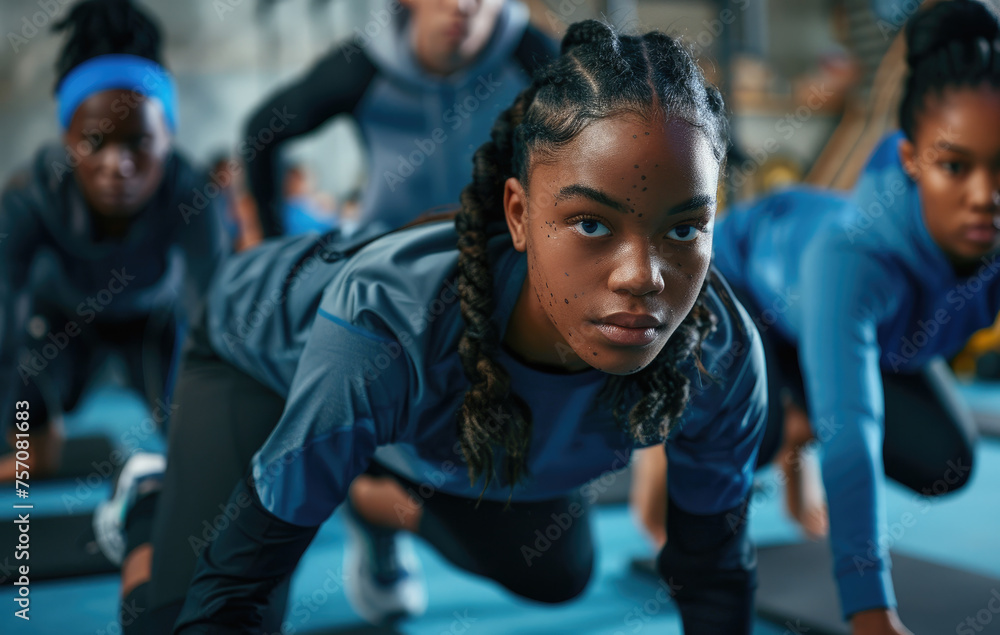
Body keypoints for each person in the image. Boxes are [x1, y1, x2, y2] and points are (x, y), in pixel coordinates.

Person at [103, 20, 769, 634]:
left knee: (556, 569)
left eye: (684, 228)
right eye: (592, 223)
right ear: (518, 214)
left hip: (406, 411)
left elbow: (714, 570)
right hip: (259, 355)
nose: (642, 277)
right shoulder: (390, 324)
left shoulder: (720, 350)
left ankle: (369, 490)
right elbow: (229, 597)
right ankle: (148, 504)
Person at [633, 1, 998, 632]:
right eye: (955, 166)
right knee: (758, 432)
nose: (984, 196)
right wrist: (870, 613)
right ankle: (680, 437)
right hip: (745, 285)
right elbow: (852, 435)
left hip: (852, 330)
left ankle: (798, 415)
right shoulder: (851, 259)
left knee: (946, 464)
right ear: (912, 160)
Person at [0, 0, 229, 482]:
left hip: (149, 320)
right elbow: (5, 322)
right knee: (20, 358)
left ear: (168, 138)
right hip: (63, 321)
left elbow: (214, 316)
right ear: (68, 140)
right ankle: (36, 448)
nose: (115, 166)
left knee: (200, 442)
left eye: (138, 143)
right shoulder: (29, 198)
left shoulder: (191, 193)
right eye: (95, 143)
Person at [243, 0, 558, 237]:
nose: (461, 5)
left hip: (505, 260)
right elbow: (262, 131)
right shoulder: (361, 68)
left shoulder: (536, 59)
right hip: (387, 264)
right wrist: (273, 241)